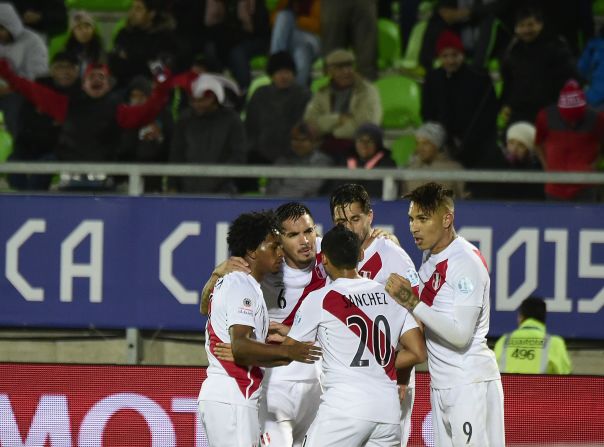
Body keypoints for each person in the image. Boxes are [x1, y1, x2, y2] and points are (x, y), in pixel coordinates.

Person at [283, 224, 427, 446]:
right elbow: (418, 352)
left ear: (324, 260)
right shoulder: (389, 295)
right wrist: (380, 364)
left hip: (344, 410)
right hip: (387, 413)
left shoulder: (321, 299)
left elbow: (290, 349)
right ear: (361, 254)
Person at [385, 182, 505, 447]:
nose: (414, 227)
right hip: (442, 383)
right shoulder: (430, 258)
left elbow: (461, 335)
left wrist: (411, 301)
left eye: (423, 218)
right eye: (411, 219)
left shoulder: (465, 262)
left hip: (468, 382)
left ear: (447, 219)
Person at [198, 210, 321, 447]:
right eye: (273, 247)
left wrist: (282, 350)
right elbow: (241, 346)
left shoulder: (249, 286)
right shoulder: (240, 284)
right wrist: (287, 353)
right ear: (253, 251)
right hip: (232, 394)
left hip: (239, 395)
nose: (280, 253)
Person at [329, 183, 420, 446]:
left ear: (370, 216)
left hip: (388, 380)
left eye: (355, 219)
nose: (348, 227)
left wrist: (401, 378)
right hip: (345, 381)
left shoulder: (393, 257)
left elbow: (414, 319)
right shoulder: (331, 255)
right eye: (340, 221)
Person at [168, 73, 246, 194]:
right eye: (194, 101)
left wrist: (217, 177)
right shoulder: (185, 120)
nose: (197, 104)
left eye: (203, 100)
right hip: (187, 190)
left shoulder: (232, 120)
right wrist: (172, 185)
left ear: (215, 98)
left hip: (222, 191)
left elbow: (238, 156)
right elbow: (176, 154)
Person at [304, 49, 382, 161]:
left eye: (349, 66)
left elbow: (368, 126)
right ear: (330, 71)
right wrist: (338, 119)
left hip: (359, 149)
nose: (346, 71)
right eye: (340, 68)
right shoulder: (322, 93)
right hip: (324, 149)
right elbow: (310, 124)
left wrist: (333, 133)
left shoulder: (367, 91)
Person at [534, 79, 604, 202]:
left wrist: (595, 165)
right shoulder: (545, 117)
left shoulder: (597, 119)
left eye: (577, 118)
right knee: (555, 221)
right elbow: (538, 144)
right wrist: (547, 167)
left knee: (586, 222)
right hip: (554, 188)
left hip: (585, 187)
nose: (573, 123)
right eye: (568, 119)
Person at [245, 51, 310, 165]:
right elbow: (250, 125)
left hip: (293, 155)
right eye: (279, 72)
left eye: (287, 72)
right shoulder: (260, 94)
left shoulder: (303, 95)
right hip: (259, 153)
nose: (283, 76)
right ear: (272, 75)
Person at [0, 2, 48, 136]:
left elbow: (38, 76)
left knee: (15, 103)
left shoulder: (33, 42)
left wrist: (11, 87)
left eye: (1, 29)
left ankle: (19, 146)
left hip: (20, 92)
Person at [494, 296, 572, 374]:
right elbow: (567, 379)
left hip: (507, 386)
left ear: (520, 317)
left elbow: (489, 373)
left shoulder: (503, 341)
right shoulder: (555, 343)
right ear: (543, 318)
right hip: (541, 386)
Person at [266, 121, 332, 197]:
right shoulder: (283, 161)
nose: (298, 143)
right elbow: (271, 189)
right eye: (295, 139)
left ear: (315, 142)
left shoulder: (322, 161)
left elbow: (308, 188)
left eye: (303, 140)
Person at [401, 122, 466, 199]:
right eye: (418, 143)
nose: (420, 148)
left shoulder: (455, 169)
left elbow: (463, 199)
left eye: (425, 143)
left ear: (437, 145)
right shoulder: (410, 168)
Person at [269, 0, 321, 86]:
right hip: (291, 41)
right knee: (284, 16)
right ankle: (276, 65)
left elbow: (317, 26)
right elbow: (274, 19)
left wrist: (297, 20)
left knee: (302, 50)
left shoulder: (317, 2)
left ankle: (297, 90)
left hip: (311, 40)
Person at [339, 123, 397, 198]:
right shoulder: (345, 161)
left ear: (377, 144)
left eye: (369, 141)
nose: (364, 145)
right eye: (360, 140)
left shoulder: (387, 164)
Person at [500, 121, 544, 201]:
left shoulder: (535, 178)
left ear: (529, 151)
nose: (514, 149)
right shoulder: (498, 168)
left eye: (521, 145)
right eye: (511, 143)